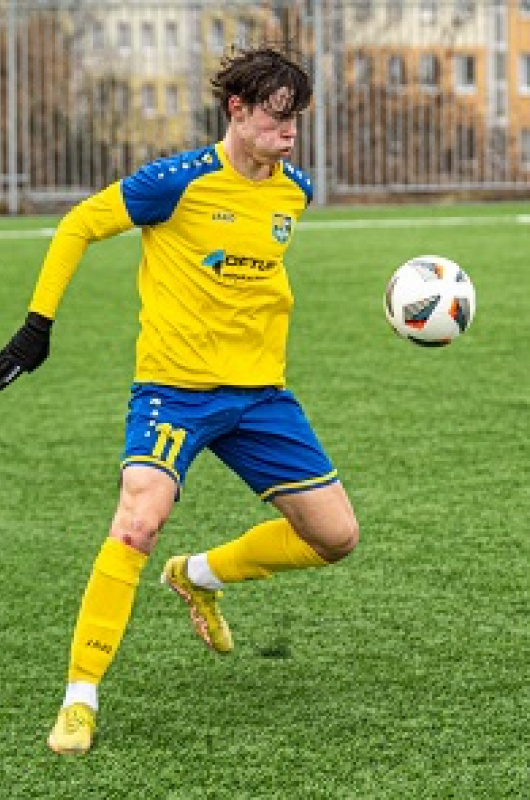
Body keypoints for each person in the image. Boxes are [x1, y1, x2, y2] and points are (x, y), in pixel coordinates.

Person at [0, 44, 359, 756]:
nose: (290, 135)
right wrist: (35, 327)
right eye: (278, 119)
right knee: (137, 518)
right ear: (237, 109)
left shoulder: (297, 190)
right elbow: (77, 225)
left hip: (260, 397)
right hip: (174, 392)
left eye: (298, 121)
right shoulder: (176, 182)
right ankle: (80, 697)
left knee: (335, 537)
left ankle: (196, 576)